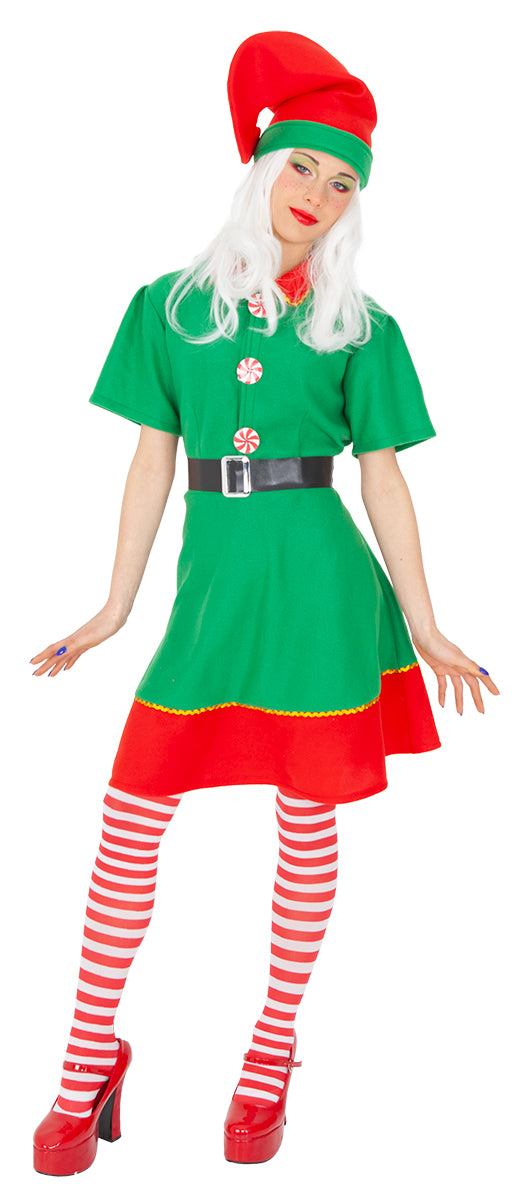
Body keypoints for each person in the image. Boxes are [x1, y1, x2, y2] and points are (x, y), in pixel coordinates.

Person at [31, 30, 499, 1174]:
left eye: (342, 183)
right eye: (302, 166)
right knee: (130, 818)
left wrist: (425, 622)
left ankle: (268, 1054)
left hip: (321, 594)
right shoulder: (165, 307)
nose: (317, 196)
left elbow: (382, 480)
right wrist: (112, 608)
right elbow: (151, 460)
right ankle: (86, 1058)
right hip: (212, 599)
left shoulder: (362, 327)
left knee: (303, 823)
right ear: (258, 166)